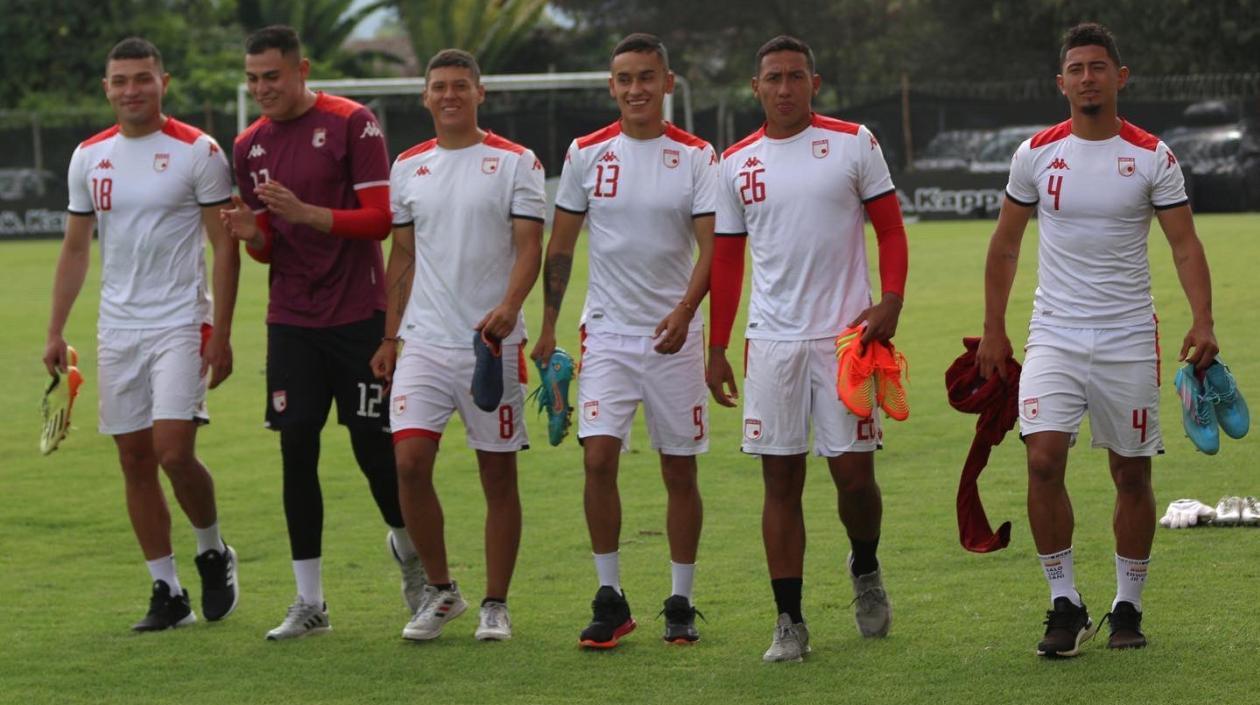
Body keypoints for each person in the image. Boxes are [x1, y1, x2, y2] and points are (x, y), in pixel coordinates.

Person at [976, 22, 1218, 656]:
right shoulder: (1035, 153)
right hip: (1053, 332)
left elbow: (1185, 245)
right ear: (1061, 83)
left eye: (1098, 67)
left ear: (1120, 77)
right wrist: (996, 330)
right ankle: (1064, 601)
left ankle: (1128, 606)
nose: (1087, 78)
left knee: (1130, 474)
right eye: (1076, 69)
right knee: (1042, 458)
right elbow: (1005, 245)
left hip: (1128, 336)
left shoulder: (1152, 155)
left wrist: (1204, 320)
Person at [708, 35, 909, 662]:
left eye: (797, 76)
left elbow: (891, 229)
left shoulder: (854, 142)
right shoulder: (735, 162)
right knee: (780, 479)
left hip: (847, 340)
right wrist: (716, 347)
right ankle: (789, 621)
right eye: (774, 78)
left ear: (814, 84)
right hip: (772, 343)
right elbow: (725, 264)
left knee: (853, 477)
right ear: (757, 87)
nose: (785, 87)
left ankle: (866, 566)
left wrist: (892, 299)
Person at [221, 25, 423, 640]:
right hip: (290, 321)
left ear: (301, 69)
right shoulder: (248, 145)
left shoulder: (351, 123)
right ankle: (310, 602)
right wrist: (252, 233)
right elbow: (267, 247)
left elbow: (381, 220)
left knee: (373, 452)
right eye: (253, 79)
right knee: (296, 448)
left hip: (357, 316)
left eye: (272, 77)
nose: (261, 89)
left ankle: (412, 557)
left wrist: (304, 213)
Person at [43, 37, 241, 631]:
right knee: (133, 459)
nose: (132, 90)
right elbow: (77, 248)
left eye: (142, 78)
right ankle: (167, 590)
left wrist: (223, 333)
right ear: (106, 88)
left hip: (181, 321)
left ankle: (213, 550)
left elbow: (224, 244)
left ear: (164, 81)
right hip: (117, 327)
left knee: (174, 452)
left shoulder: (198, 151)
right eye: (120, 80)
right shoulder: (87, 156)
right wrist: (55, 330)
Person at [533, 33, 717, 648]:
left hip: (675, 339)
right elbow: (560, 247)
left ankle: (681, 601)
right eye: (624, 78)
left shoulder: (696, 156)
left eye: (647, 76)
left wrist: (686, 312)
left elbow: (715, 249)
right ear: (611, 86)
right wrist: (550, 323)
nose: (636, 88)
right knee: (597, 458)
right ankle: (609, 597)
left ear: (668, 83)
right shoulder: (586, 154)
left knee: (678, 469)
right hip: (606, 334)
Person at [371, 49, 545, 642]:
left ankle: (496, 603)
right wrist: (390, 334)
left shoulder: (516, 162)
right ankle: (443, 591)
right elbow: (402, 255)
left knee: (497, 478)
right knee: (409, 464)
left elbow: (529, 247)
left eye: (460, 86)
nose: (449, 95)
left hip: (489, 346)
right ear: (425, 96)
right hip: (421, 342)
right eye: (439, 87)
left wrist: (510, 308)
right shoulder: (407, 166)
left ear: (480, 92)